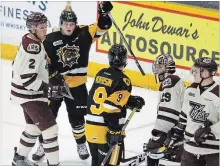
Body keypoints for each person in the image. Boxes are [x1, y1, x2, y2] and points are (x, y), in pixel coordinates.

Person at [32, 1, 114, 162]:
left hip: (77, 86)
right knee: (48, 119)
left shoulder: (84, 33)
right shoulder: (49, 40)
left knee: (77, 119)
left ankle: (81, 143)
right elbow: (41, 63)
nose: (69, 27)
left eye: (71, 24)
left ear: (75, 24)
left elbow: (104, 25)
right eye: (66, 24)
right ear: (61, 24)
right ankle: (43, 146)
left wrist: (104, 13)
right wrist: (51, 73)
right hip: (55, 86)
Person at [10, 12, 60, 166]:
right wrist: (48, 89)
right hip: (31, 95)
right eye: (41, 28)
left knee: (33, 128)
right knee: (51, 129)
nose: (45, 30)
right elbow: (28, 79)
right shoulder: (33, 47)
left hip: (25, 94)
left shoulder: (29, 39)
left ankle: (19, 159)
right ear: (32, 29)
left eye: (45, 27)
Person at [85, 44, 145, 166]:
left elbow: (106, 97)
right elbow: (110, 106)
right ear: (124, 59)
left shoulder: (101, 73)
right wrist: (114, 131)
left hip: (91, 129)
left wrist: (130, 100)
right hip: (106, 130)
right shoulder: (124, 80)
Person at [169, 57, 219, 166]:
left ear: (205, 73)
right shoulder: (190, 90)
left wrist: (210, 131)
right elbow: (184, 116)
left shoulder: (217, 94)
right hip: (190, 151)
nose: (193, 73)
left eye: (196, 71)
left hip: (213, 152)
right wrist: (176, 134)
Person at [143, 53, 185, 166]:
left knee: (153, 150)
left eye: (160, 66)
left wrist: (160, 133)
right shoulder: (171, 81)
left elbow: (170, 111)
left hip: (173, 129)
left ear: (168, 68)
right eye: (156, 66)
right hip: (176, 129)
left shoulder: (170, 80)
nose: (156, 69)